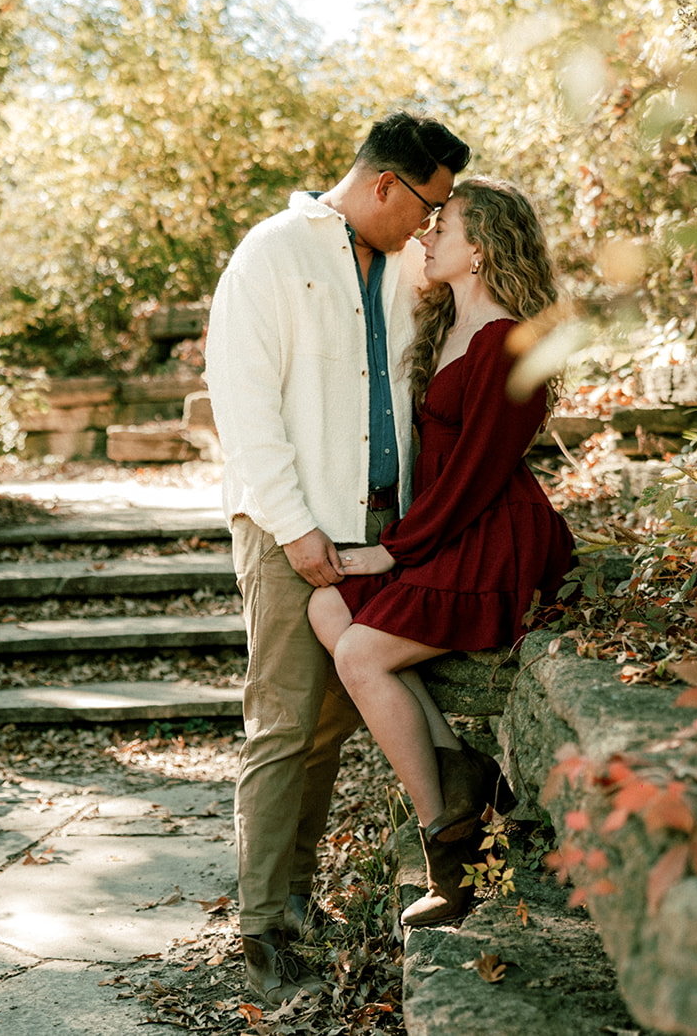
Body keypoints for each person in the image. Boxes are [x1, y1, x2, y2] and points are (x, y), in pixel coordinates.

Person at [205, 112, 471, 1005]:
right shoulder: (273, 253)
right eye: (427, 205)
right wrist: (293, 525)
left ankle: (294, 898)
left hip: (375, 534)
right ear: (385, 185)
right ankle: (257, 930)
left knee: (327, 727)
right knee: (282, 724)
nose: (431, 225)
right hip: (290, 530)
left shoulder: (402, 266)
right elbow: (243, 404)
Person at [307, 177, 575, 929]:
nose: (424, 238)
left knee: (360, 653)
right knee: (326, 604)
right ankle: (469, 774)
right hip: (449, 529)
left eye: (441, 228)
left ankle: (449, 846)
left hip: (493, 538)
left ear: (481, 249)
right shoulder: (445, 323)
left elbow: (477, 476)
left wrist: (393, 552)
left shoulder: (509, 340)